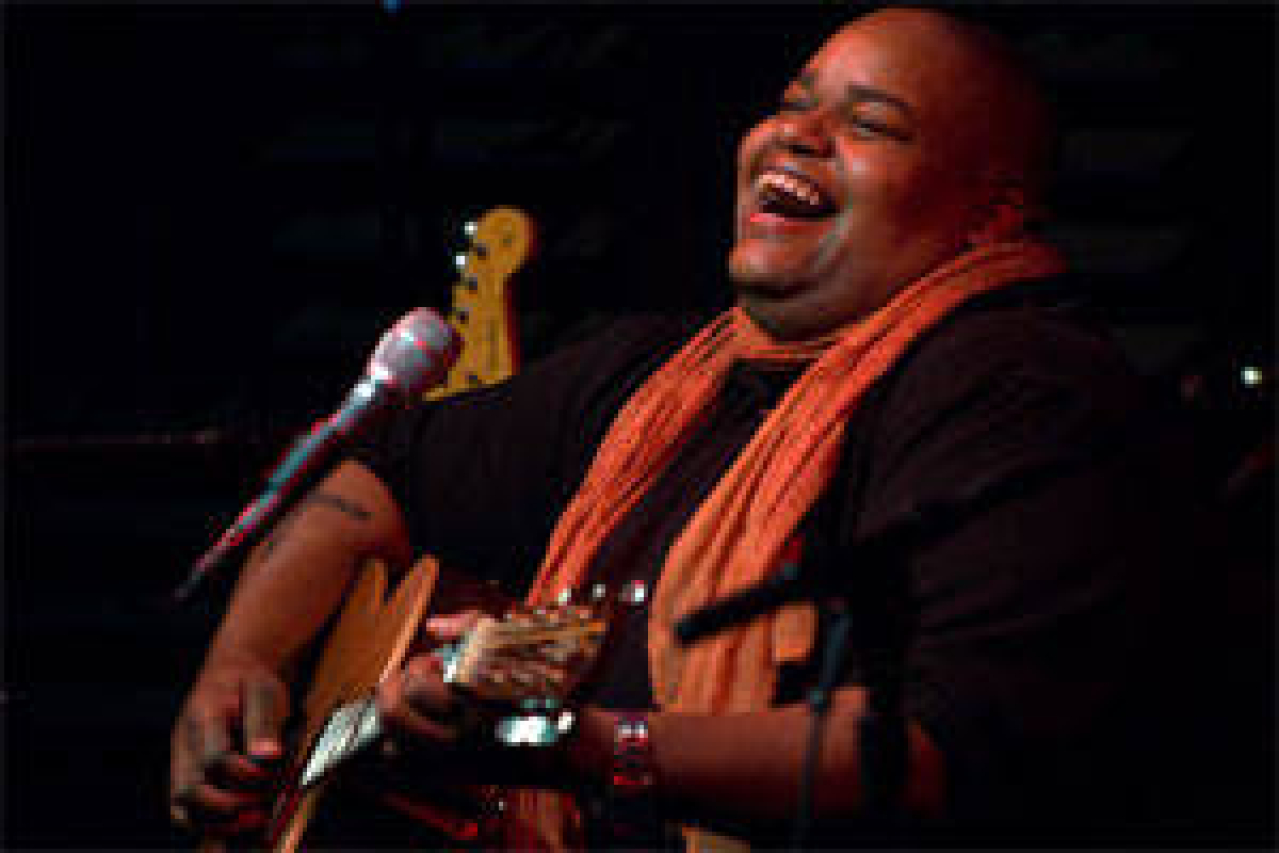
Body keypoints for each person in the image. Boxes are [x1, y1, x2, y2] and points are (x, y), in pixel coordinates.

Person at [169, 6, 1225, 848]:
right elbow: (372, 477)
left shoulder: (1022, 393)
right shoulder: (654, 372)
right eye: (793, 103)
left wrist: (586, 744)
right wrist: (242, 665)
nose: (794, 133)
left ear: (989, 218)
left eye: (868, 124)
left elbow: (935, 749)